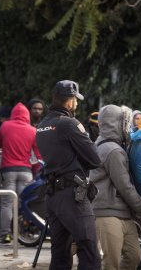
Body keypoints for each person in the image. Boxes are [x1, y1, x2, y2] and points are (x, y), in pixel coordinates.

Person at [36, 80, 101, 269]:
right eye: (76, 100)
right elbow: (95, 159)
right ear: (69, 101)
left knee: (60, 255)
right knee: (89, 252)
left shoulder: (42, 125)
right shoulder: (69, 124)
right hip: (72, 197)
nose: (77, 104)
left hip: (53, 197)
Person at [90, 104, 141, 270]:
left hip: (122, 212)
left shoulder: (108, 145)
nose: (128, 126)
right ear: (116, 124)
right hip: (108, 212)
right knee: (112, 263)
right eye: (125, 122)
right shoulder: (112, 150)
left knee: (134, 256)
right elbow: (125, 187)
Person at [0, 102, 41, 244]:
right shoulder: (32, 130)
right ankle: (24, 232)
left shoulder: (5, 126)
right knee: (25, 204)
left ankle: (6, 234)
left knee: (7, 203)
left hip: (8, 170)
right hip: (26, 171)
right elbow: (38, 154)